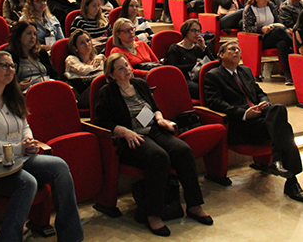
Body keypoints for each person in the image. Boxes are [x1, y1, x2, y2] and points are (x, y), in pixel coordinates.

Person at [0, 51, 83, 242]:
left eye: (12, 66)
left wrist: (29, 141)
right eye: (4, 65)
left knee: (59, 166)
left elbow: (25, 126)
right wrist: (17, 148)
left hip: (20, 158)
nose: (10, 69)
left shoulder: (12, 96)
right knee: (28, 182)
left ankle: (71, 236)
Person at [95, 52, 212, 235]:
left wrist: (160, 119)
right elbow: (102, 123)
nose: (127, 69)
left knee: (183, 151)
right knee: (159, 157)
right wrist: (124, 131)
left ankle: (194, 205)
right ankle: (153, 214)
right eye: (120, 68)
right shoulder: (107, 93)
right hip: (130, 137)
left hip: (152, 129)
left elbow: (154, 109)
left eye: (126, 65)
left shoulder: (139, 84)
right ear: (111, 75)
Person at [203, 40, 303, 201]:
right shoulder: (213, 75)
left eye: (239, 49)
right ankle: (290, 180)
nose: (237, 51)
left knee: (278, 109)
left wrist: (264, 103)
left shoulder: (245, 71)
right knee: (284, 129)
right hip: (242, 125)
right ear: (221, 55)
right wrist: (245, 113)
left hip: (261, 119)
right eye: (232, 49)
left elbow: (259, 92)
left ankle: (282, 166)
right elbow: (215, 103)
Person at [243, 0, 294, 84]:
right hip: (259, 40)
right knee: (279, 31)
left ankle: (288, 75)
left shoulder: (270, 6)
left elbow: (278, 21)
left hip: (273, 34)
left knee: (282, 44)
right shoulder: (249, 9)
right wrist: (261, 28)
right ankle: (297, 48)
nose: (266, 0)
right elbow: (246, 28)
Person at [164, 19, 215, 100]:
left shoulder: (197, 48)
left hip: (196, 78)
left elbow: (213, 63)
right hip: (182, 79)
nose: (197, 34)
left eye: (199, 31)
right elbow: (173, 69)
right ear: (185, 31)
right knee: (202, 90)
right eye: (194, 30)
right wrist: (194, 65)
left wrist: (204, 47)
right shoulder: (175, 48)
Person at [8, 21, 57, 92]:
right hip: (28, 92)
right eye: (28, 34)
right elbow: (7, 83)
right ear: (18, 36)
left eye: (34, 34)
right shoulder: (10, 55)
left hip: (49, 87)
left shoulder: (41, 52)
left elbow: (53, 73)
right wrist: (18, 86)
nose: (32, 37)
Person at [63, 29, 105, 108]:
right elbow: (84, 71)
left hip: (97, 93)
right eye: (82, 43)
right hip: (81, 95)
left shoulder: (97, 59)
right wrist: (100, 65)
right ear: (75, 48)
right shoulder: (71, 59)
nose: (87, 45)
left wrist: (102, 58)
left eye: (88, 41)